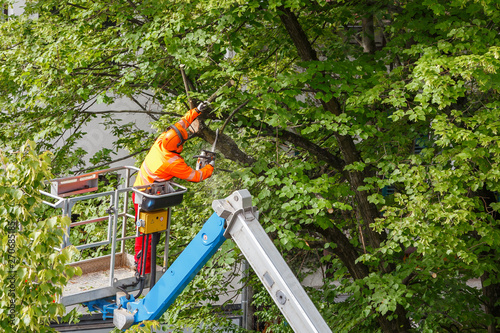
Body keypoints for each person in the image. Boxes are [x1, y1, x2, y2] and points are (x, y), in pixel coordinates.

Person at [133, 101, 214, 275]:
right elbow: (196, 176)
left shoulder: (162, 140)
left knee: (144, 233)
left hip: (140, 193)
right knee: (149, 237)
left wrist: (196, 111)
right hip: (149, 198)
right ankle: (143, 270)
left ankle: (140, 265)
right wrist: (210, 167)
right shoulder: (173, 162)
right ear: (178, 145)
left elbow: (182, 124)